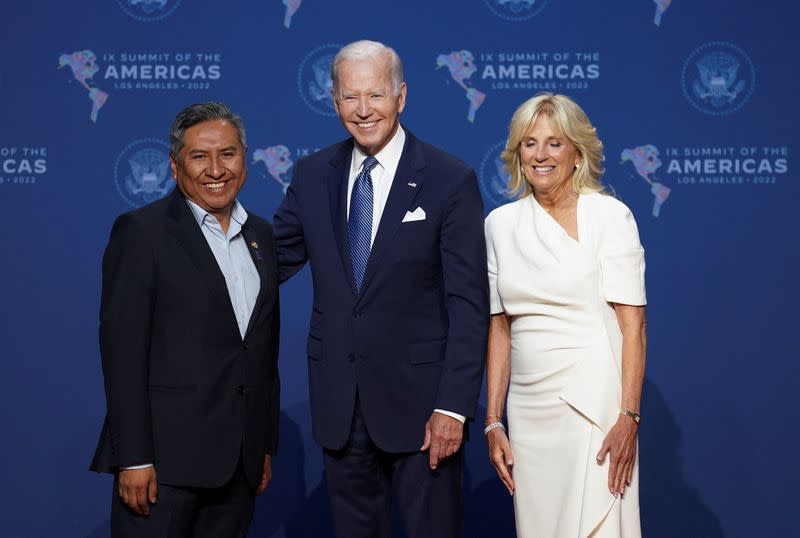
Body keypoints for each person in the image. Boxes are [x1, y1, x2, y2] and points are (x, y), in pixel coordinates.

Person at [273, 40, 488, 538]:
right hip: (340, 408)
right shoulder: (311, 175)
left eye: (376, 95)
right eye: (351, 97)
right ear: (334, 101)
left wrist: (453, 406)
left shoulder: (448, 179)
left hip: (424, 413)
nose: (364, 110)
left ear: (402, 97)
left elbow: (469, 303)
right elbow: (270, 262)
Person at [90, 102, 280, 537]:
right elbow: (123, 355)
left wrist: (262, 444)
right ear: (175, 167)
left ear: (245, 160)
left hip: (239, 467)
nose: (216, 169)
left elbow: (261, 350)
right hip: (163, 467)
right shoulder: (141, 233)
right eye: (200, 156)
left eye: (228, 154)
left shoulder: (261, 236)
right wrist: (134, 457)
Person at [484, 93, 646, 537]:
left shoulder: (610, 216)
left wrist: (628, 417)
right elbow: (499, 328)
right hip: (529, 411)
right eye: (530, 143)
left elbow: (633, 327)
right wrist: (493, 420)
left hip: (594, 405)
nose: (541, 155)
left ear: (577, 152)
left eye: (555, 143)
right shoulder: (499, 224)